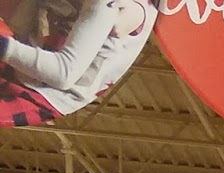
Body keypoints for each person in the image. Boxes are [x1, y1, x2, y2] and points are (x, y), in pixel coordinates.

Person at [0, 0, 155, 127]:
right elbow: (18, 29)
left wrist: (5, 46)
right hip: (25, 66)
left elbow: (64, 74)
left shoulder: (110, 6)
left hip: (49, 95)